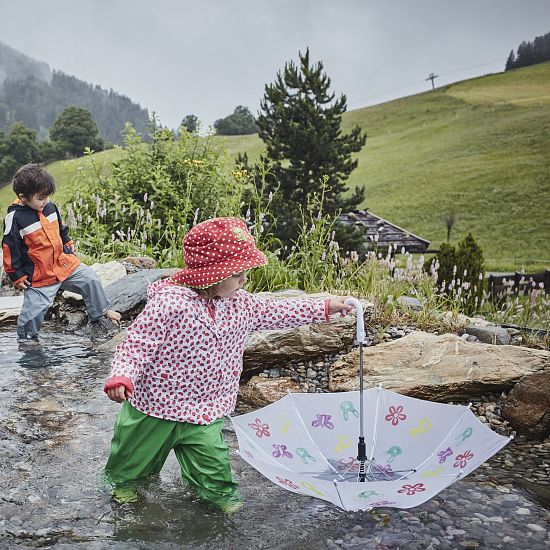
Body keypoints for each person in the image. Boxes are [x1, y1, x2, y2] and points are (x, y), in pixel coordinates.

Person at [103, 216, 354, 511]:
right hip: (155, 407)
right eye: (238, 274)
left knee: (214, 470)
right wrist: (122, 376)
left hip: (205, 409)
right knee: (131, 464)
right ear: (211, 275)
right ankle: (124, 493)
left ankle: (220, 500)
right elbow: (138, 343)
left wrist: (324, 308)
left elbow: (279, 311)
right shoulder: (169, 304)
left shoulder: (241, 303)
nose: (245, 280)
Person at [1, 163, 121, 341]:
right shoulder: (15, 218)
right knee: (31, 317)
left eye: (48, 197)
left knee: (90, 278)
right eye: (41, 198)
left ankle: (100, 312)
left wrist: (66, 239)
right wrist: (16, 275)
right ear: (23, 197)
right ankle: (27, 343)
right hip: (40, 277)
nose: (46, 201)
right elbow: (10, 248)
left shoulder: (50, 207)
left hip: (63, 264)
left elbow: (60, 226)